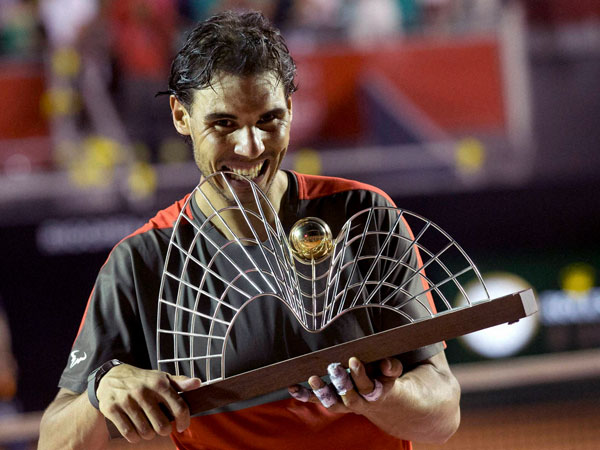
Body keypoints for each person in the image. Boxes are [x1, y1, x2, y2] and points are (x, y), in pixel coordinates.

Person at [38, 10, 460, 450]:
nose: (251, 146)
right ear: (181, 116)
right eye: (224, 124)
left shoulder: (364, 214)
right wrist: (101, 388)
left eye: (268, 120)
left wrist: (380, 397)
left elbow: (442, 417)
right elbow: (56, 442)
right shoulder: (142, 260)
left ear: (290, 109)